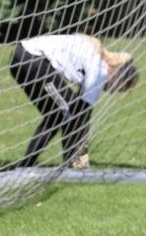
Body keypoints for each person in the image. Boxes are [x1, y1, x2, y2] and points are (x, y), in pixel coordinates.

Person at [9, 34, 138, 169]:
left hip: (20, 57)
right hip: (31, 58)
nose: (112, 92)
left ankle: (28, 165)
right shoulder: (99, 72)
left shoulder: (96, 63)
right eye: (117, 88)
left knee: (56, 116)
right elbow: (82, 117)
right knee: (69, 114)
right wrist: (81, 162)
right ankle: (73, 166)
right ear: (117, 75)